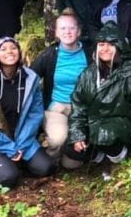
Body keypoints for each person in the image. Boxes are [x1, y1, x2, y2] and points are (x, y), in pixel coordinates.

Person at [63, 22, 131, 178]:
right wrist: (78, 134)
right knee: (70, 147)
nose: (105, 49)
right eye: (101, 44)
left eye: (111, 44)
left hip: (121, 128)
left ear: (120, 46)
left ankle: (121, 156)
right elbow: (78, 106)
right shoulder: (88, 74)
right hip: (95, 125)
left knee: (105, 135)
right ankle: (101, 158)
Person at [0, 37, 56, 189]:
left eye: (13, 48)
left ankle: (13, 163)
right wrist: (7, 146)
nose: (9, 52)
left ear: (19, 52)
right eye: (4, 49)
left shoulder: (30, 79)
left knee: (46, 168)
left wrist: (21, 143)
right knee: (7, 178)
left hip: (20, 137)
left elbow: (35, 114)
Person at [30, 9, 90, 161]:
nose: (67, 32)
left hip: (84, 109)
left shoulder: (90, 54)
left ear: (79, 31)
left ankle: (70, 160)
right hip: (57, 107)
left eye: (71, 28)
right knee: (58, 139)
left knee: (73, 162)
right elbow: (29, 79)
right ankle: (50, 161)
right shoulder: (49, 55)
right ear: (56, 32)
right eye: (62, 28)